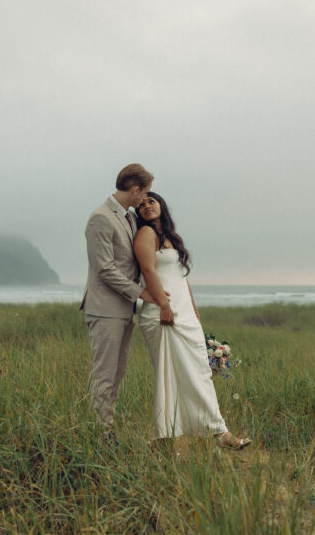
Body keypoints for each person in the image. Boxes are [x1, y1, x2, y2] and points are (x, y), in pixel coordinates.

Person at [134, 191, 251, 449]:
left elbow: (182, 281)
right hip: (163, 315)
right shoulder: (145, 235)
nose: (146, 206)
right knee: (171, 378)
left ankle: (217, 432)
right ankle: (167, 440)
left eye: (151, 201)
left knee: (199, 373)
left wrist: (195, 315)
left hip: (184, 314)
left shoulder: (171, 238)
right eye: (141, 204)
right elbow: (148, 270)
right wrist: (164, 305)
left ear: (161, 205)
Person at [81, 163, 158, 432]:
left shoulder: (130, 217)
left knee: (117, 373)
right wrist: (142, 293)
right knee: (104, 374)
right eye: (145, 192)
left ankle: (106, 425)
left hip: (124, 309)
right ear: (135, 189)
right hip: (104, 308)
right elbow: (104, 268)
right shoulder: (100, 217)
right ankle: (101, 433)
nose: (145, 198)